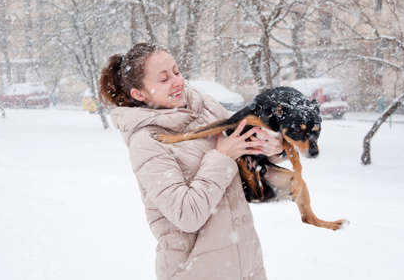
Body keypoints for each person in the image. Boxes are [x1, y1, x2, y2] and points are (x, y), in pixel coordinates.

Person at [98, 43, 284, 280]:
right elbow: (187, 215)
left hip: (245, 264)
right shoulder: (147, 142)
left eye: (176, 72)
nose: (177, 82)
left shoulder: (205, 107)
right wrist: (222, 157)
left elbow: (245, 145)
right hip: (196, 271)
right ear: (139, 94)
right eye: (164, 79)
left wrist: (273, 147)